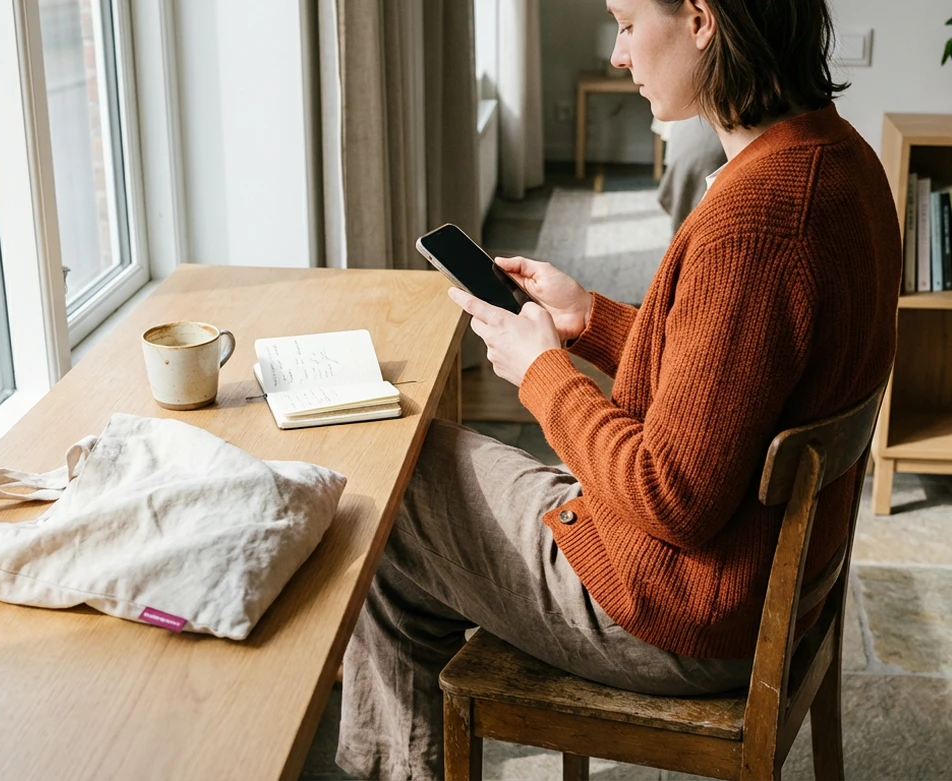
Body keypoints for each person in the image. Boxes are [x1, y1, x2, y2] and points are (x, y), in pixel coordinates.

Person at [337, 0, 901, 777]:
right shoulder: (841, 160)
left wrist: (544, 373)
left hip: (678, 614)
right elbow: (733, 383)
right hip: (757, 582)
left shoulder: (755, 225)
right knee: (414, 526)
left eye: (628, 22)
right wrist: (589, 319)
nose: (618, 54)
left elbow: (671, 493)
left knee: (391, 487)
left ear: (700, 19)